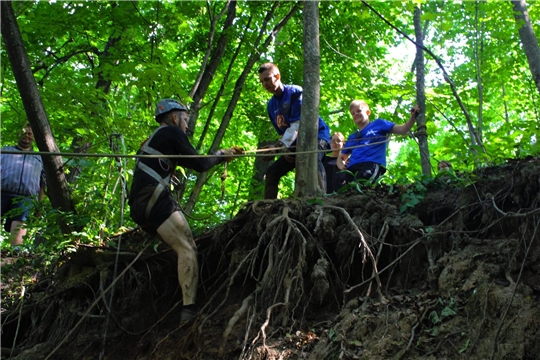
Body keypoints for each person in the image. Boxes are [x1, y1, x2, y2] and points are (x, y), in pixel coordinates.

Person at [128, 99, 238, 322]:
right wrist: (222, 154)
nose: (187, 125)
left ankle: (169, 300)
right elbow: (200, 164)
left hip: (141, 205)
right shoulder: (172, 132)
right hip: (154, 198)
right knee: (188, 247)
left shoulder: (154, 138)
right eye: (185, 119)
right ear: (175, 118)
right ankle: (189, 310)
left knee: (180, 248)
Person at [257, 62, 331, 199]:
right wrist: (285, 150)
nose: (264, 84)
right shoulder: (271, 106)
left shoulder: (294, 92)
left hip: (317, 136)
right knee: (272, 172)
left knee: (311, 159)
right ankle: (267, 207)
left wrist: (280, 147)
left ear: (277, 76)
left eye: (267, 79)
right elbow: (282, 133)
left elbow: (298, 124)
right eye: (262, 81)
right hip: (294, 144)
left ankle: (322, 199)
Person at [337, 100, 420, 188]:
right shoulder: (352, 137)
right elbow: (341, 157)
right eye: (353, 113)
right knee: (340, 184)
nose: (356, 114)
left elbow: (402, 129)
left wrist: (413, 117)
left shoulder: (379, 124)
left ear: (368, 112)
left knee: (359, 186)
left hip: (370, 164)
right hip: (351, 168)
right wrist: (342, 167)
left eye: (359, 111)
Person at [1, 124, 46, 250]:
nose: (27, 135)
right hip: (2, 192)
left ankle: (15, 255)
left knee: (20, 221)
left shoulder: (39, 157)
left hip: (25, 196)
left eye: (30, 134)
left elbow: (43, 183)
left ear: (33, 138)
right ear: (18, 134)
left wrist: (39, 204)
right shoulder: (4, 151)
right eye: (24, 132)